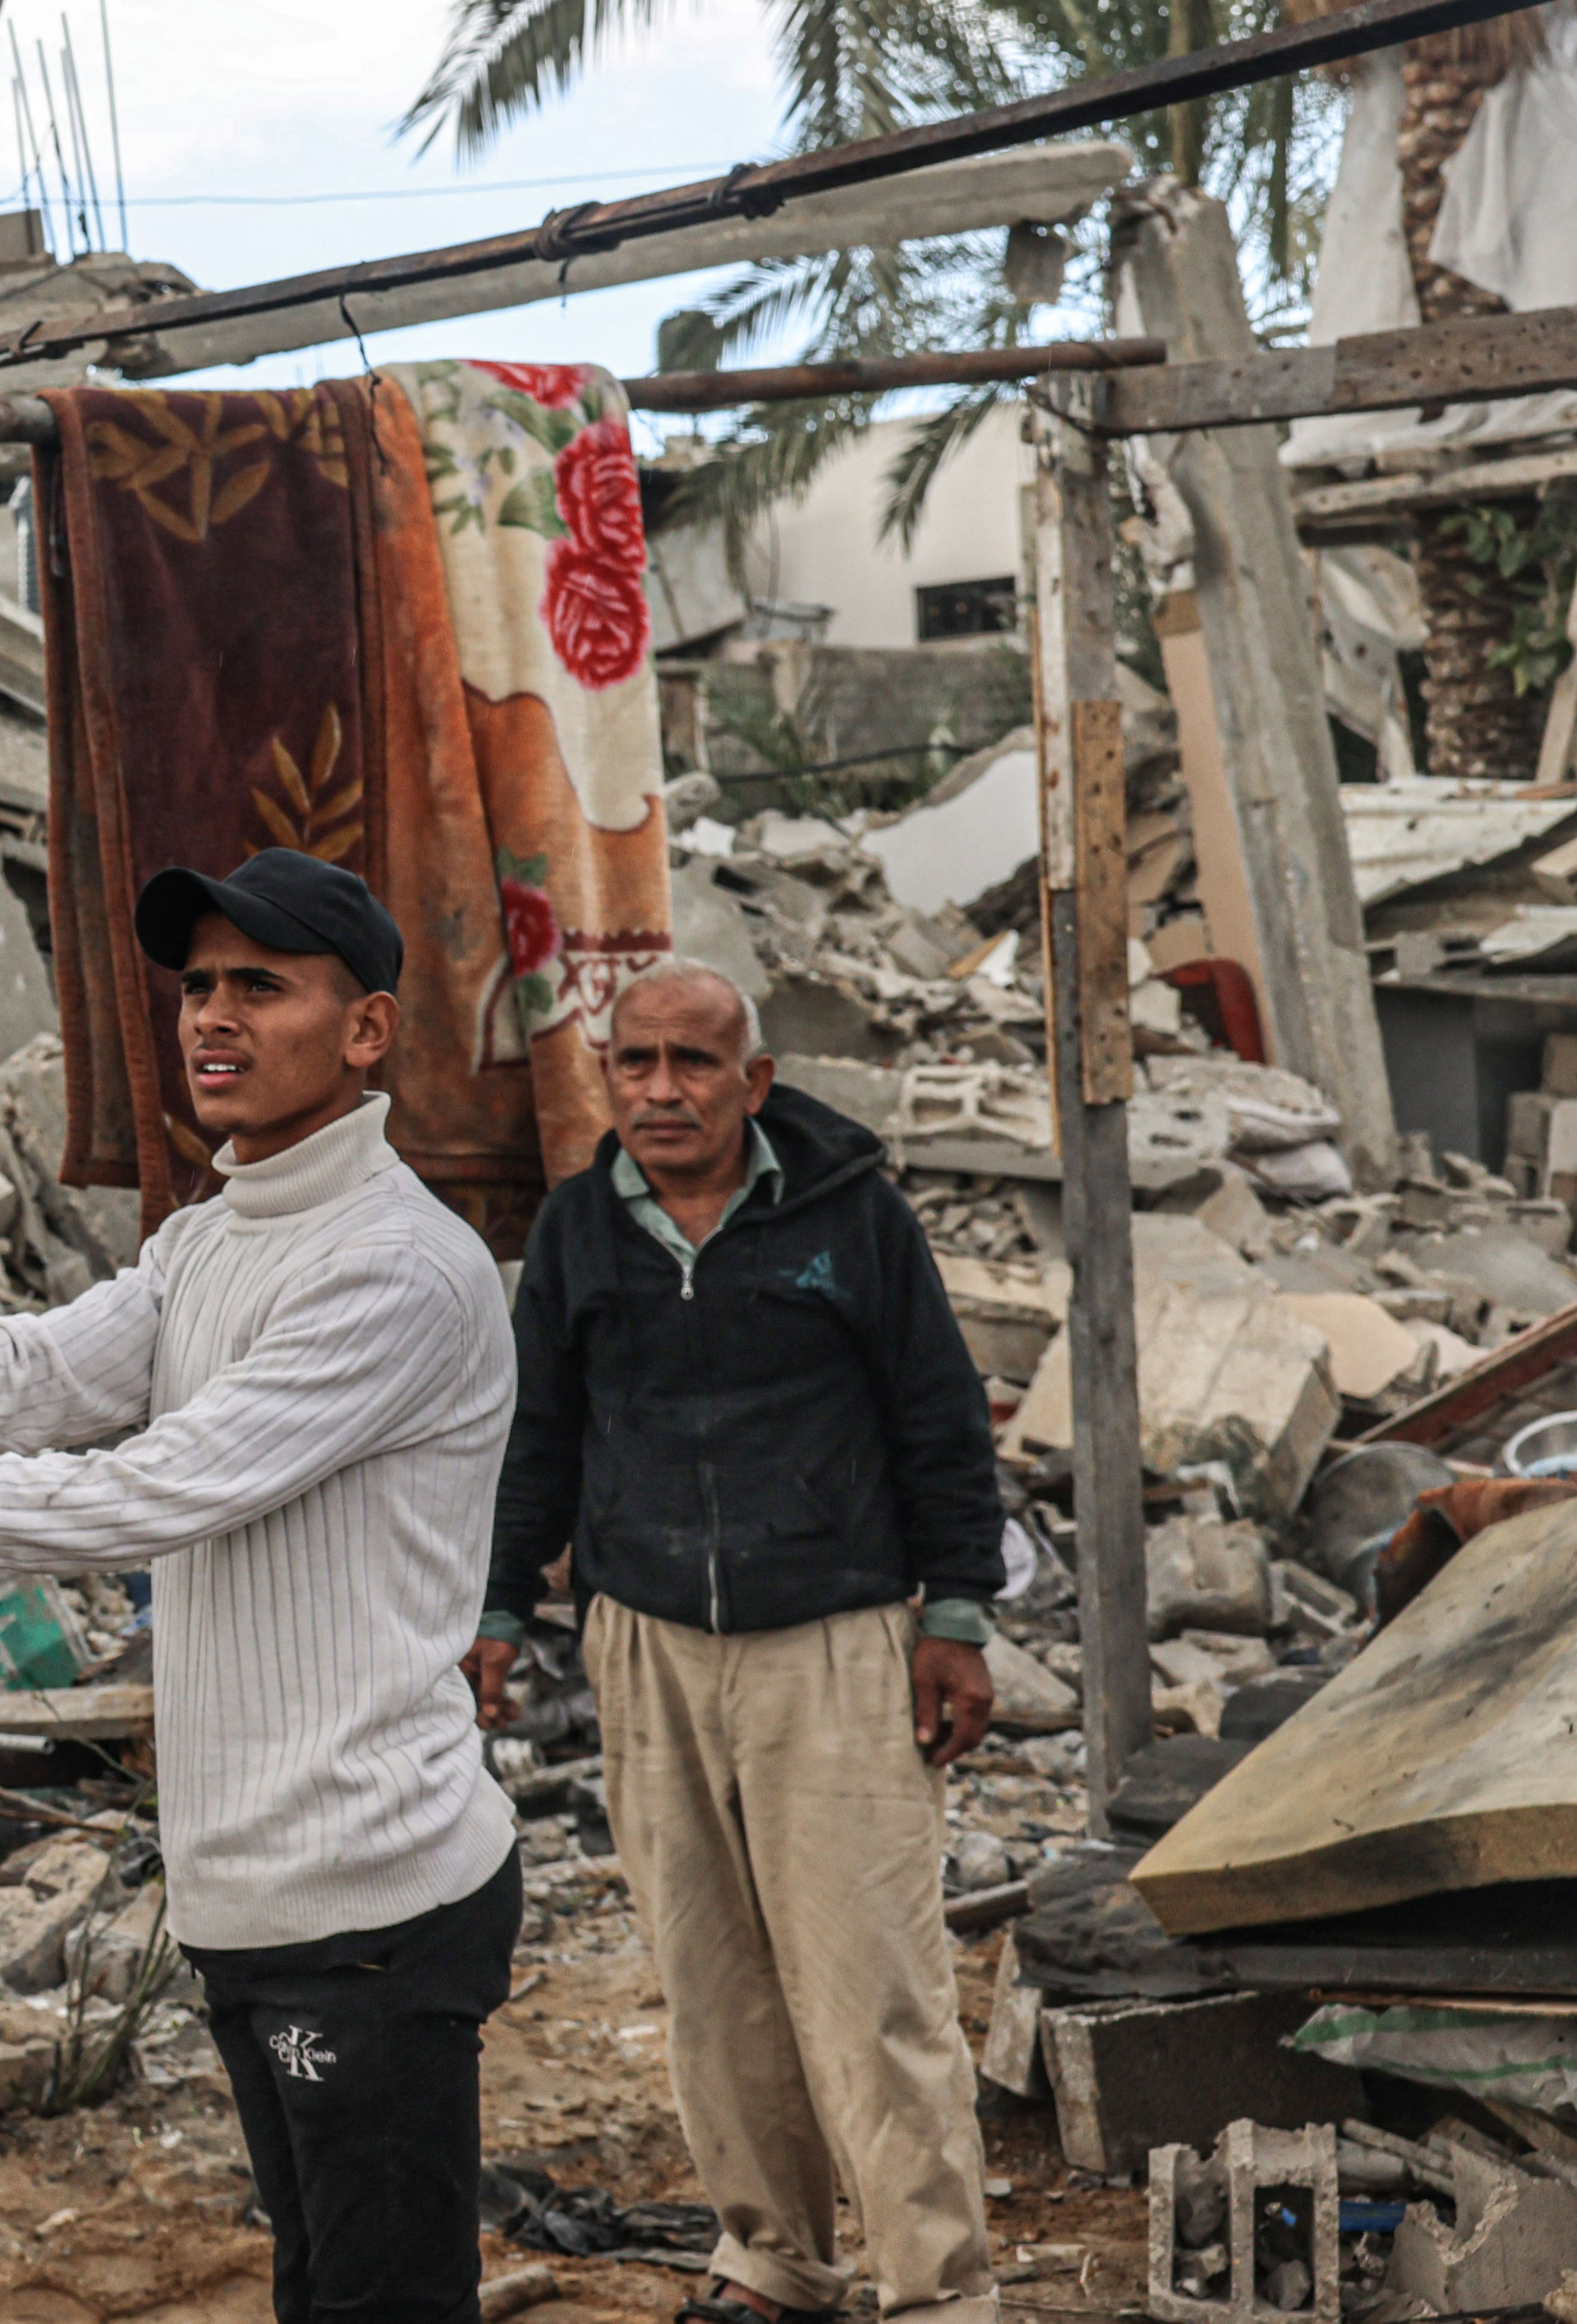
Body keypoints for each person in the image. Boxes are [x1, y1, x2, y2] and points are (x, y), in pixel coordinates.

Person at [0, 848, 520, 2324]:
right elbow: (29, 1381)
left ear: (366, 1030)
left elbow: (156, 1488)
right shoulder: (213, 1236)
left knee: (384, 2300)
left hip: (366, 1894)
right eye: (200, 987)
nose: (214, 1018)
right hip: (253, 1885)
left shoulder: (400, 1270)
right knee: (320, 2281)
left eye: (263, 986)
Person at [469, 961, 1006, 2324]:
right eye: (635, 1062)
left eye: (693, 1063)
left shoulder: (853, 1215)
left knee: (872, 1985)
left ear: (753, 1081)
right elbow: (537, 1440)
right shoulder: (581, 1230)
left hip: (832, 1641)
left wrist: (954, 1616)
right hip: (648, 1645)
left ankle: (937, 2290)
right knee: (712, 1987)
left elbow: (940, 1416)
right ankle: (775, 2259)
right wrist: (496, 1608)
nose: (662, 1090)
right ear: (606, 1076)